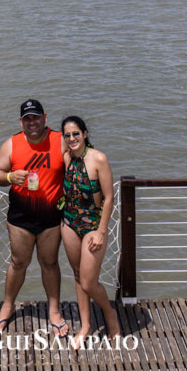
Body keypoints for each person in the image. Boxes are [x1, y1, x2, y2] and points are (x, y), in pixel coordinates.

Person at [0, 98, 68, 337]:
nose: (32, 122)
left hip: (51, 217)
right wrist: (10, 177)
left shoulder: (60, 140)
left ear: (45, 118)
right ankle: (7, 306)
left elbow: (79, 166)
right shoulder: (11, 144)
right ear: (21, 121)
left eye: (36, 117)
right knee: (18, 262)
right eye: (27, 118)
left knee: (50, 263)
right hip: (20, 217)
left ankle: (54, 311)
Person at [59, 115, 121, 345]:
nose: (72, 138)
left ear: (85, 134)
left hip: (93, 226)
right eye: (67, 135)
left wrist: (101, 231)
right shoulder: (66, 158)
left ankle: (109, 314)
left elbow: (108, 198)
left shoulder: (99, 159)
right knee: (77, 275)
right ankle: (85, 326)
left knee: (88, 282)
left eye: (76, 133)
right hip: (69, 223)